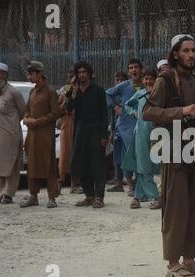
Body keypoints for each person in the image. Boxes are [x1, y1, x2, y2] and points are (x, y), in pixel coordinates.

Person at [143, 34, 195, 277]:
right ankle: (173, 263)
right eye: (186, 50)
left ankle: (189, 259)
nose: (191, 55)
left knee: (194, 209)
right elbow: (148, 112)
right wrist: (182, 111)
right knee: (176, 209)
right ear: (175, 53)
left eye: (194, 50)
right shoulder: (166, 79)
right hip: (174, 152)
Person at [66, 61, 108, 209]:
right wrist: (74, 93)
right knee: (79, 163)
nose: (82, 75)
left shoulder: (98, 90)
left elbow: (104, 114)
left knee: (97, 164)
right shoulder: (74, 91)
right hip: (80, 131)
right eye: (79, 72)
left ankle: (99, 197)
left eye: (84, 72)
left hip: (96, 131)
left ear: (89, 74)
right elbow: (68, 109)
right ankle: (89, 195)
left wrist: (104, 135)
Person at [20, 61, 61, 209]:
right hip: (32, 135)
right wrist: (26, 118)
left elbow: (55, 113)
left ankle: (52, 198)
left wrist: (37, 122)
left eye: (31, 73)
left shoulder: (50, 92)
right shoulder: (32, 91)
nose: (28, 76)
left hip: (45, 135)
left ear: (39, 73)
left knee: (49, 166)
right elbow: (26, 110)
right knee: (31, 165)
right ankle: (33, 196)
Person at [0, 62, 25, 204]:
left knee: (11, 164)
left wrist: (11, 124)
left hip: (10, 134)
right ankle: (2, 192)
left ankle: (9, 194)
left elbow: (22, 111)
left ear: (4, 75)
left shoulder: (14, 92)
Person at [122, 68, 161, 210]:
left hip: (156, 135)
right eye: (146, 79)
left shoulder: (159, 95)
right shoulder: (139, 94)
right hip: (140, 134)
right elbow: (127, 105)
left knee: (145, 167)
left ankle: (137, 197)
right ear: (143, 80)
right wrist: (134, 113)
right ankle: (156, 197)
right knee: (142, 166)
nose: (149, 81)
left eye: (152, 78)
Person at [106, 60, 142, 195]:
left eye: (136, 67)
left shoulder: (147, 85)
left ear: (141, 70)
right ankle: (131, 185)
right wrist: (116, 107)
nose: (134, 70)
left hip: (142, 126)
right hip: (125, 127)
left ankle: (139, 184)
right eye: (131, 68)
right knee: (127, 156)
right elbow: (108, 94)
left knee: (141, 156)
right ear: (129, 71)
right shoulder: (124, 86)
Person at [57, 70, 82, 195]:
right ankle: (60, 182)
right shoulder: (64, 91)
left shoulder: (83, 92)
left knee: (77, 155)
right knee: (65, 154)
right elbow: (59, 109)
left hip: (79, 126)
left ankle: (74, 183)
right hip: (67, 126)